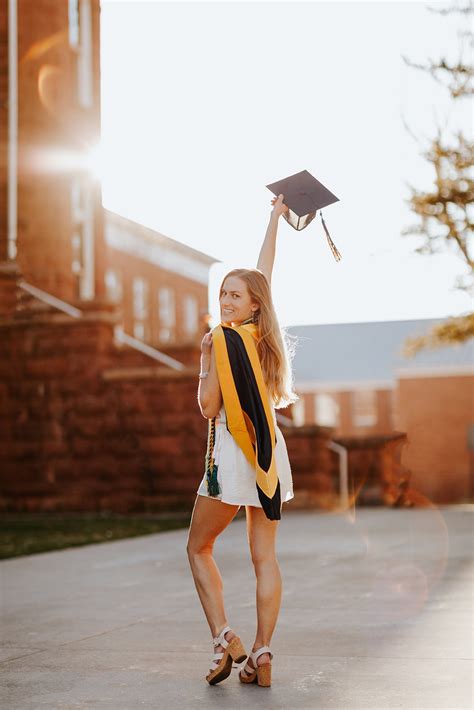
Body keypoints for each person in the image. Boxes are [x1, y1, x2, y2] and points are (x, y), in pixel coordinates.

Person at [186, 193, 298, 688]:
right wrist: (274, 218)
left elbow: (209, 409)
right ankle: (261, 653)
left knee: (198, 546)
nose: (226, 301)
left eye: (235, 295)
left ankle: (224, 636)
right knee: (264, 558)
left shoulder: (226, 341)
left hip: (233, 452)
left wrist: (206, 358)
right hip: (271, 453)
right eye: (222, 295)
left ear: (252, 304)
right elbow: (264, 274)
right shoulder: (263, 338)